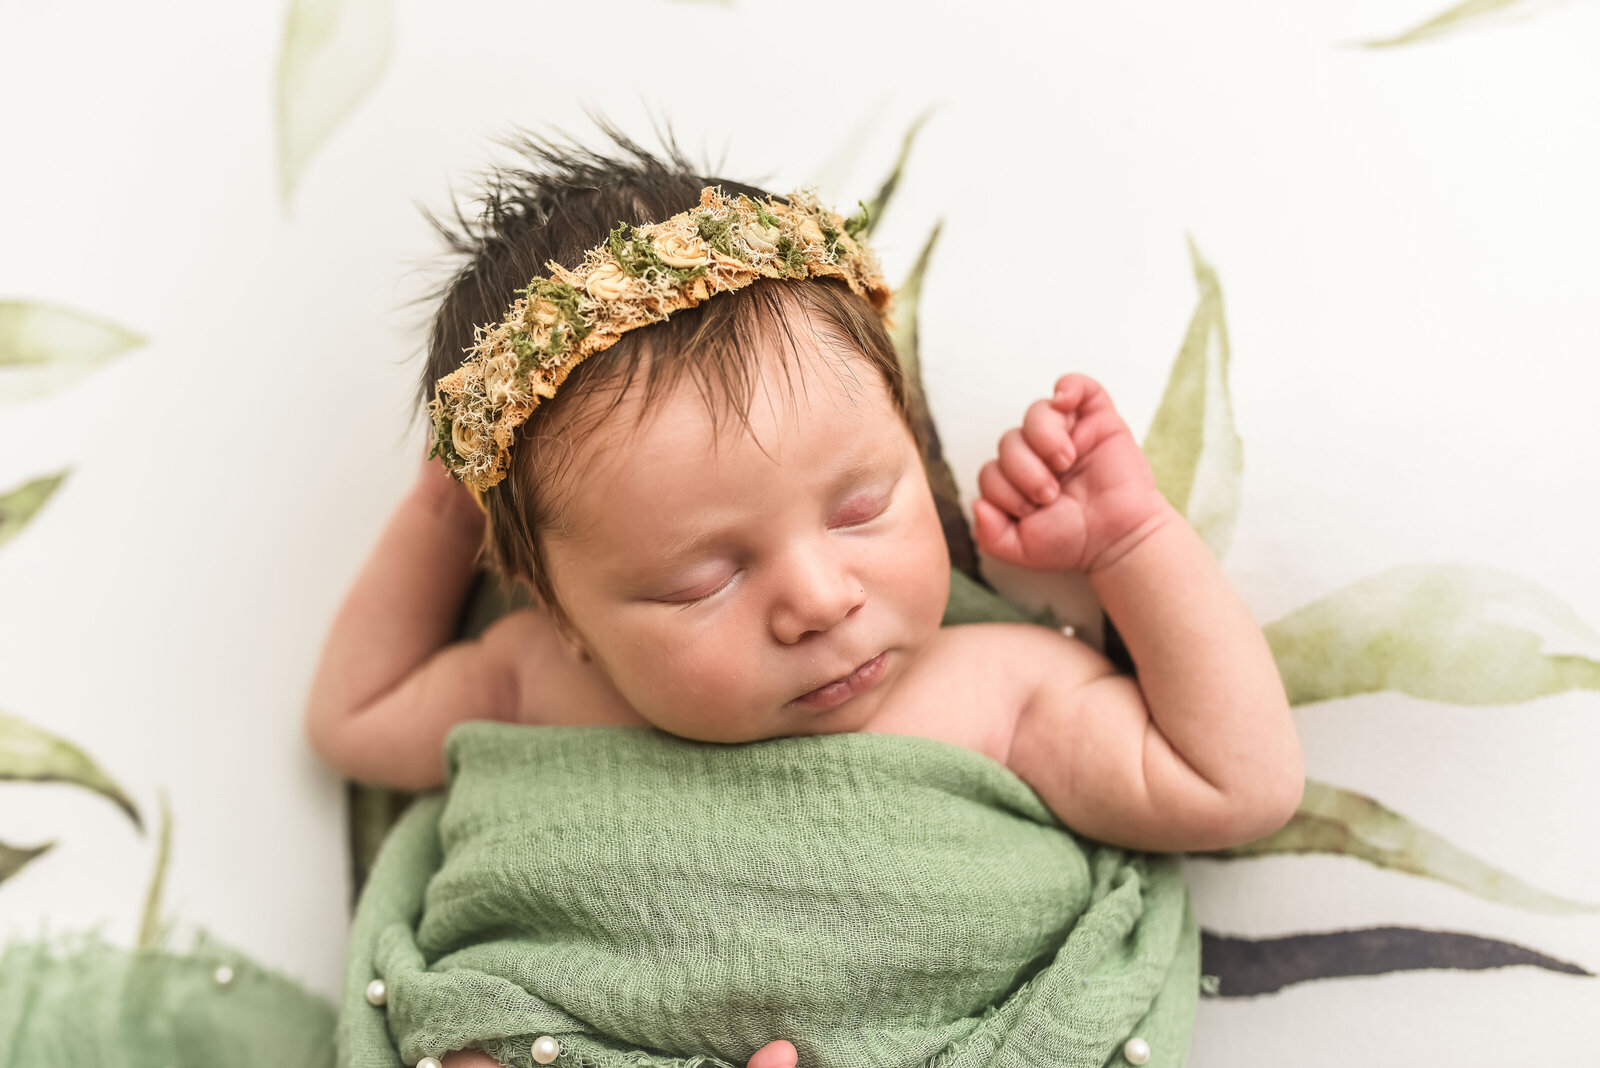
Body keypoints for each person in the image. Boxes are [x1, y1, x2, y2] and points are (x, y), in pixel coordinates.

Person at [304, 130, 1303, 1068]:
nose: (820, 600)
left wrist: (1130, 545)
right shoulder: (535, 678)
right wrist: (447, 510)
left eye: (861, 509)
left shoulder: (1004, 691)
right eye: (705, 578)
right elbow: (353, 719)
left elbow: (1235, 785)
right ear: (562, 612)